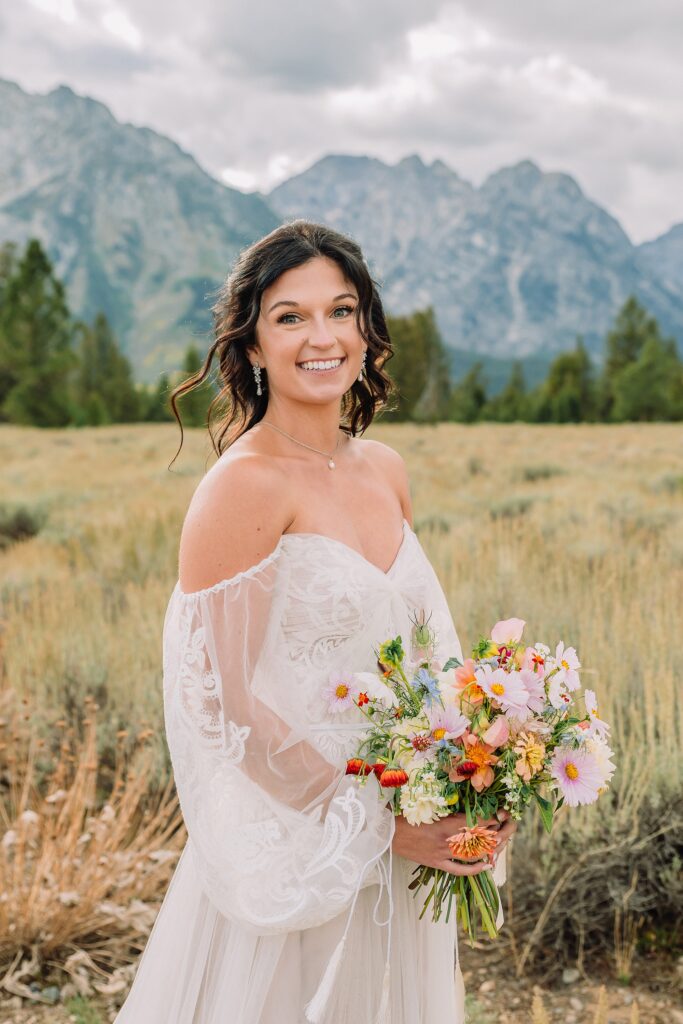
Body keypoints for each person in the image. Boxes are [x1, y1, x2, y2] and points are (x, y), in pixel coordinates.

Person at [115, 221, 515, 1024]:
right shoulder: (242, 489)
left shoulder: (387, 470)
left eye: (341, 310)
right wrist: (376, 825)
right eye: (290, 317)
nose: (321, 336)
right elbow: (226, 705)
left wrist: (474, 771)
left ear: (367, 330)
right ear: (253, 346)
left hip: (408, 819)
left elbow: (422, 661)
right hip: (303, 842)